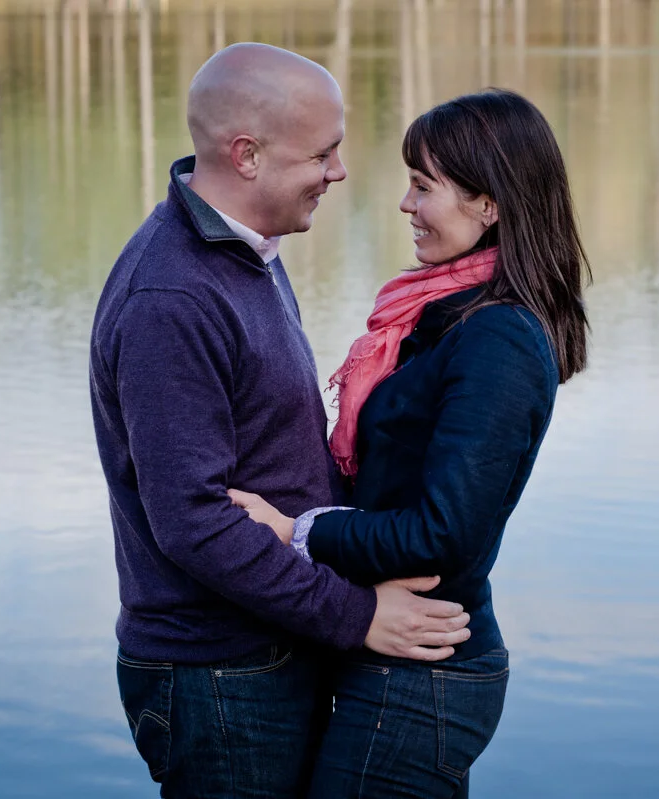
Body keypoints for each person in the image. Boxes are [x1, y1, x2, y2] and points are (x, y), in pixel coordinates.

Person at [89, 43, 472, 799]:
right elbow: (194, 521)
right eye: (322, 154)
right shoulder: (172, 297)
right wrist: (356, 613)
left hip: (267, 650)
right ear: (248, 156)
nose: (339, 172)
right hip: (218, 673)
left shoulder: (247, 254)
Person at [230, 89, 591, 798]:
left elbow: (441, 534)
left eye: (424, 187)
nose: (405, 204)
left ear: (489, 205)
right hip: (391, 658)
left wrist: (298, 531)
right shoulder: (441, 317)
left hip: (425, 676)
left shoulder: (500, 340)